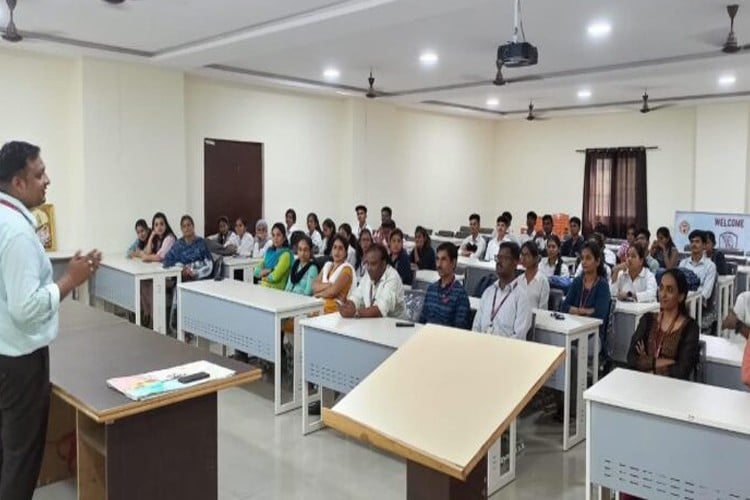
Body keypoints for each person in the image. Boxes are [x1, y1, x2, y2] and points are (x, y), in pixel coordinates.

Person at [0, 140, 101, 499]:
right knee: (21, 460)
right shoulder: (16, 233)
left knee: (8, 452)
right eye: (39, 174)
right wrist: (70, 280)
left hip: (5, 353)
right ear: (18, 183)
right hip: (18, 361)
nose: (48, 180)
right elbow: (25, 308)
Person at [627, 268, 699, 380]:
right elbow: (631, 358)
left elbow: (682, 370)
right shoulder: (648, 319)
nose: (663, 294)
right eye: (661, 288)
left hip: (673, 389)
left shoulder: (690, 327)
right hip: (643, 384)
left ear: (681, 296)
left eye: (669, 290)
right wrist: (666, 362)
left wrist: (647, 362)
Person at [561, 241, 612, 361]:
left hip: (593, 334)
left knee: (571, 351)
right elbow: (564, 307)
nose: (584, 262)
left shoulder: (602, 285)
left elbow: (599, 314)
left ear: (597, 261)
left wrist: (574, 311)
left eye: (588, 258)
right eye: (582, 258)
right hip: (573, 329)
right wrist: (584, 311)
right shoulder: (578, 281)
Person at [472, 242, 531, 338]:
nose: (499, 262)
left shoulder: (522, 297)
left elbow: (519, 336)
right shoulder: (488, 292)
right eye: (498, 257)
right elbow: (476, 326)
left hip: (506, 350)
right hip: (481, 346)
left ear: (516, 262)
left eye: (505, 258)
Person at [340, 243, 406, 319]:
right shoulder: (368, 275)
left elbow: (380, 309)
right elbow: (356, 297)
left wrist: (355, 312)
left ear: (383, 263)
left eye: (373, 264)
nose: (369, 268)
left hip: (394, 326)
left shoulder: (393, 277)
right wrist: (348, 306)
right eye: (367, 263)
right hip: (373, 324)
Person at [419, 243, 471, 329]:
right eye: (437, 259)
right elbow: (422, 321)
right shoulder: (431, 289)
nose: (439, 264)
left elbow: (459, 331)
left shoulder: (460, 295)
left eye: (443, 259)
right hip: (426, 337)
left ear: (453, 263)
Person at [163, 215, 214, 281]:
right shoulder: (178, 245)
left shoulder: (201, 243)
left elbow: (209, 264)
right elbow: (167, 261)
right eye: (184, 226)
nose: (187, 228)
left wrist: (196, 273)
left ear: (193, 226)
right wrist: (181, 269)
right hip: (183, 279)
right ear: (181, 229)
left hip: (200, 279)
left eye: (188, 225)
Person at [313, 235, 355, 313]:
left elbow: (332, 292)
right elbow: (314, 286)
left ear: (346, 252)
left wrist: (319, 294)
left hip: (335, 308)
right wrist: (328, 285)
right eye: (334, 247)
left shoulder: (346, 269)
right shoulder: (327, 266)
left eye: (340, 248)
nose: (337, 251)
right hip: (321, 303)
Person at [679, 229, 717, 309]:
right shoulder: (683, 263)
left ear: (703, 245)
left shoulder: (710, 266)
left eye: (697, 242)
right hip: (681, 301)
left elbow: (706, 293)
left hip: (699, 304)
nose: (693, 244)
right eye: (692, 242)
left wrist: (690, 299)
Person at [254, 222, 293, 289]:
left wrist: (263, 277)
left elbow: (274, 277)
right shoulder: (270, 252)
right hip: (264, 288)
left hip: (277, 291)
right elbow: (255, 271)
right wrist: (270, 270)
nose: (275, 238)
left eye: (278, 235)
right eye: (273, 235)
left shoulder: (286, 255)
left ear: (284, 238)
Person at [517, 241, 550, 310]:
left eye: (527, 255)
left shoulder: (543, 281)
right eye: (522, 255)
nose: (523, 258)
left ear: (536, 258)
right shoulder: (519, 280)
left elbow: (543, 309)